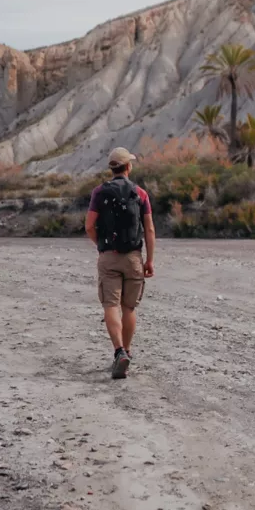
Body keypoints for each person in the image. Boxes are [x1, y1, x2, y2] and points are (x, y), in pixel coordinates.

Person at [85, 147, 156, 379]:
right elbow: (149, 229)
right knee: (129, 308)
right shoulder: (141, 193)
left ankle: (118, 352)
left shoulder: (98, 193)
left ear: (111, 168)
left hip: (108, 256)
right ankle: (128, 351)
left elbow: (89, 226)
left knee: (110, 305)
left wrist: (100, 246)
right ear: (128, 167)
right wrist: (149, 261)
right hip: (134, 257)